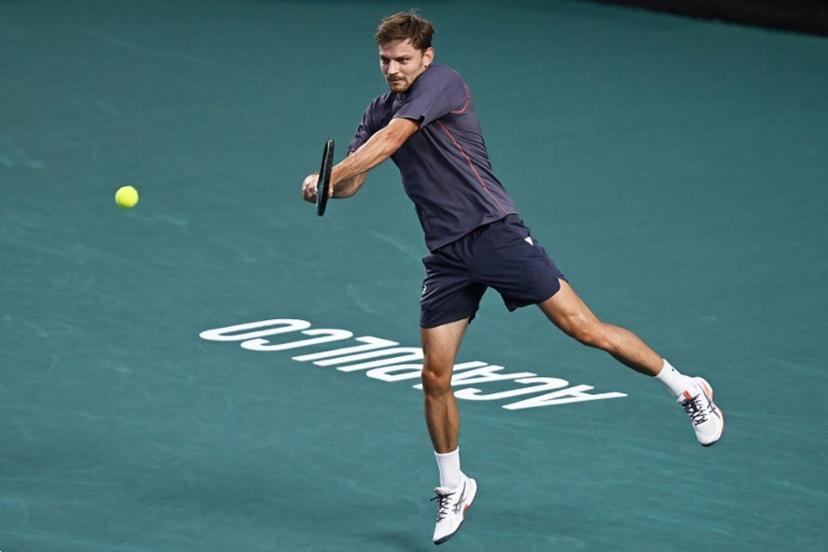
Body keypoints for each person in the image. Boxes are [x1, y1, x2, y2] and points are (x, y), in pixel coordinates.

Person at [300, 11, 724, 546]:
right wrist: (326, 187)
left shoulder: (442, 84)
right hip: (447, 255)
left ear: (425, 57)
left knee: (584, 329)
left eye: (403, 59)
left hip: (495, 233)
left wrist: (336, 172)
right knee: (434, 375)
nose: (393, 69)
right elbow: (357, 179)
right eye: (385, 59)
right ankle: (454, 484)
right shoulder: (378, 109)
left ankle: (686, 388)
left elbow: (389, 143)